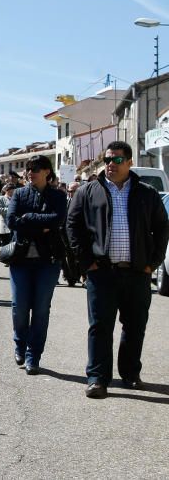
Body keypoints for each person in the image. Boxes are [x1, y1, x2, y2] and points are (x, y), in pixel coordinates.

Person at [67, 141, 169, 399]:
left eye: (118, 160)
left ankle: (130, 374)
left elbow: (162, 228)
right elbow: (73, 226)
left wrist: (152, 263)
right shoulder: (89, 191)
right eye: (108, 159)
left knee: (135, 326)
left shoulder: (146, 193)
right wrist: (86, 262)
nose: (111, 164)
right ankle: (97, 378)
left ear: (129, 162)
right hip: (101, 272)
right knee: (100, 327)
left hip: (137, 272)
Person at [5, 155, 67, 376]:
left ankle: (33, 356)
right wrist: (39, 222)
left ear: (47, 172)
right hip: (21, 259)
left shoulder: (58, 196)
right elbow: (11, 221)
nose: (30, 172)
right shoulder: (20, 194)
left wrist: (28, 218)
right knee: (19, 306)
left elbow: (58, 220)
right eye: (29, 169)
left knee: (40, 309)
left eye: (36, 169)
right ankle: (20, 344)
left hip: (48, 261)